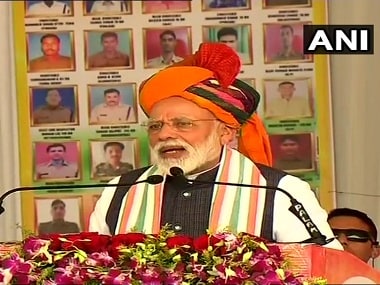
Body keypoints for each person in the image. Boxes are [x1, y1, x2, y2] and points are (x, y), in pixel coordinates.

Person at [89, 43, 342, 250]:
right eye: (155, 126)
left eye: (183, 123)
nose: (165, 134)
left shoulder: (281, 191)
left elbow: (324, 268)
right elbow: (90, 268)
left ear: (226, 131)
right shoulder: (121, 190)